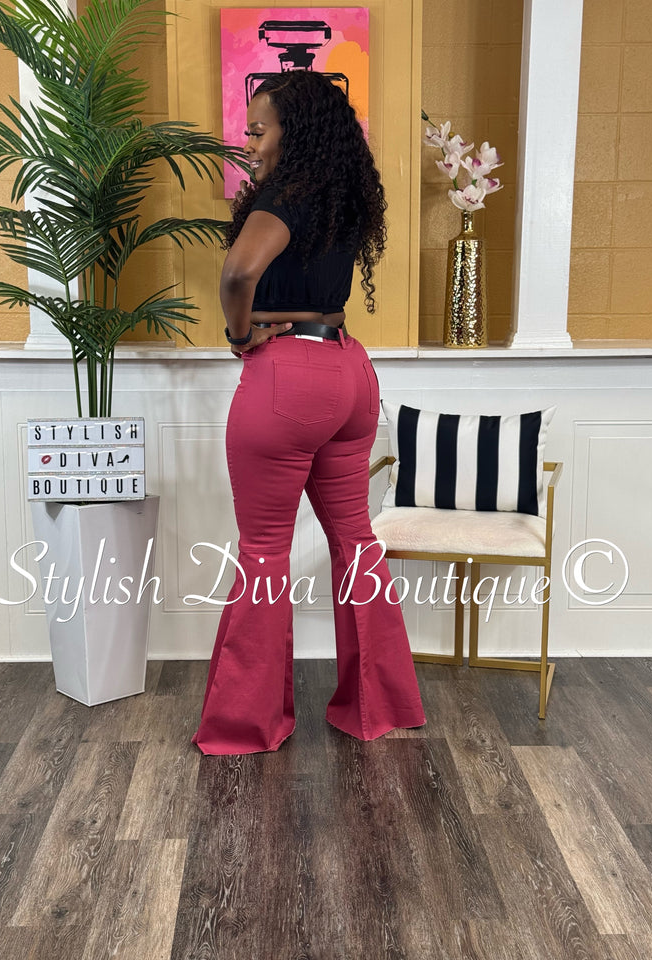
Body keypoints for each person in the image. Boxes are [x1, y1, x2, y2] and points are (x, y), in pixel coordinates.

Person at [191, 70, 425, 755]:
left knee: (265, 550)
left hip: (287, 377)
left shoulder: (282, 197)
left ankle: (247, 723)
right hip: (350, 371)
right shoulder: (342, 197)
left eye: (259, 130)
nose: (249, 143)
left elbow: (238, 273)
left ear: (292, 134)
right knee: (356, 540)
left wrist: (239, 336)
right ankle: (379, 707)